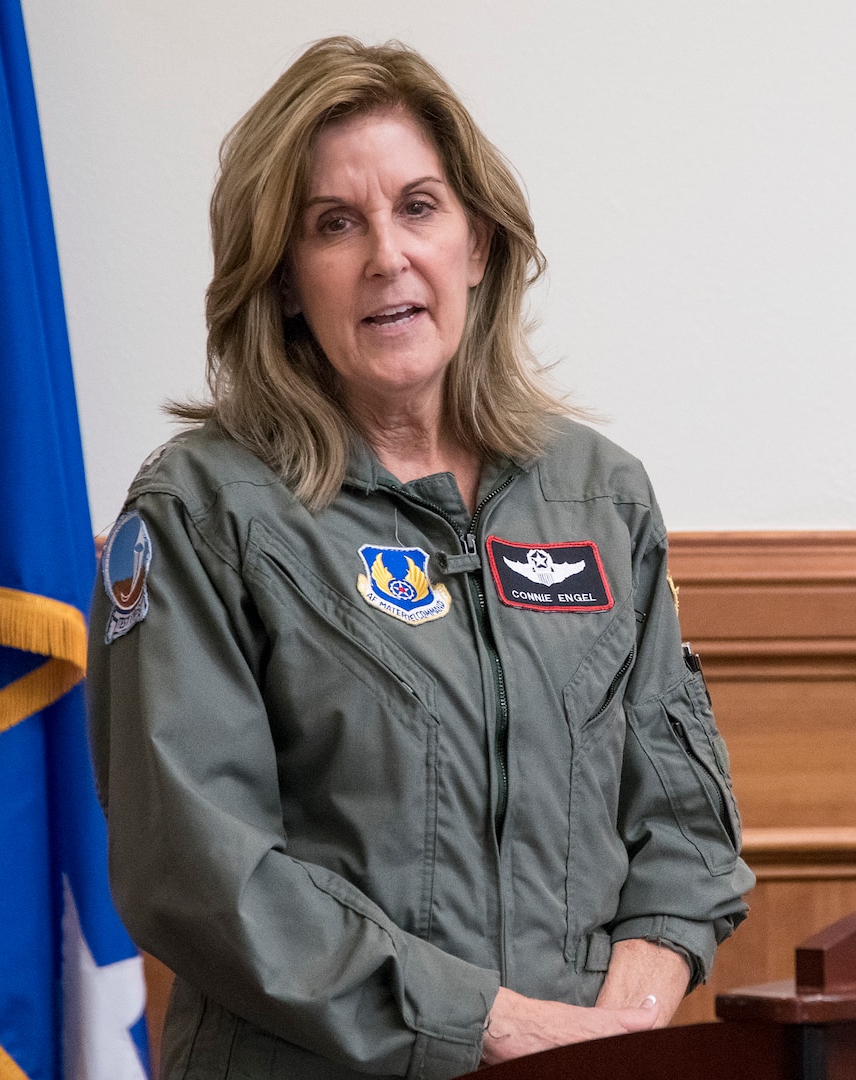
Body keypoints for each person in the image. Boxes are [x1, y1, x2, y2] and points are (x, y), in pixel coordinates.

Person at [87, 36, 752, 1080]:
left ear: (478, 244)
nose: (386, 255)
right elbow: (200, 871)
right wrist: (495, 1028)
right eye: (334, 224)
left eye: (419, 206)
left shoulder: (599, 493)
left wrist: (616, 1032)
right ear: (285, 280)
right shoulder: (201, 512)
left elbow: (682, 826)